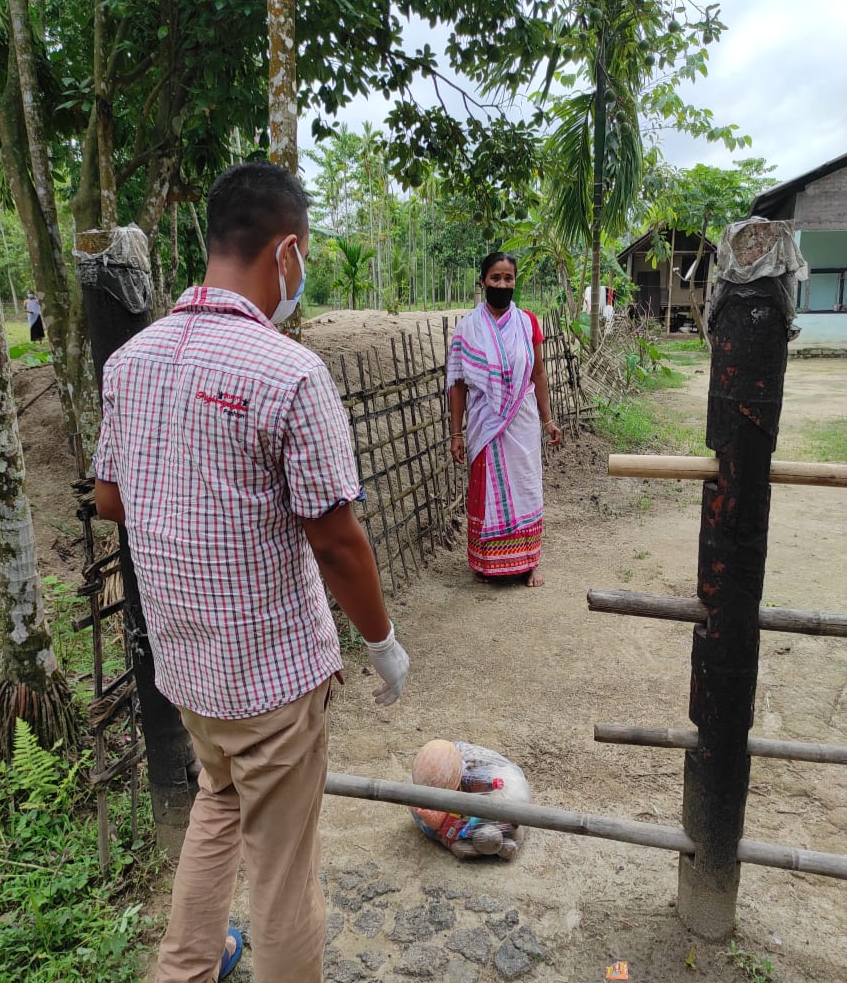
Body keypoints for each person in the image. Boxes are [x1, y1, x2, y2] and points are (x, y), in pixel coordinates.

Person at [92, 162, 410, 983]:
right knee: (282, 875)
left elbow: (107, 497)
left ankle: (185, 969)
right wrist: (381, 641)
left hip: (189, 670)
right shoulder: (288, 373)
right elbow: (337, 539)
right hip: (270, 680)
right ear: (288, 251)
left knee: (217, 802)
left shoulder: (130, 363)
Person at [447, 252, 562, 588]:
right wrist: (456, 433)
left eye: (508, 278)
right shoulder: (467, 328)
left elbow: (538, 373)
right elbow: (457, 384)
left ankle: (528, 564)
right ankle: (487, 563)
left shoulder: (527, 322)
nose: (501, 284)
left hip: (522, 421)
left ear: (515, 281)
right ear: (482, 281)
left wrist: (548, 420)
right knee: (486, 489)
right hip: (485, 423)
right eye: (495, 278)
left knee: (526, 487)